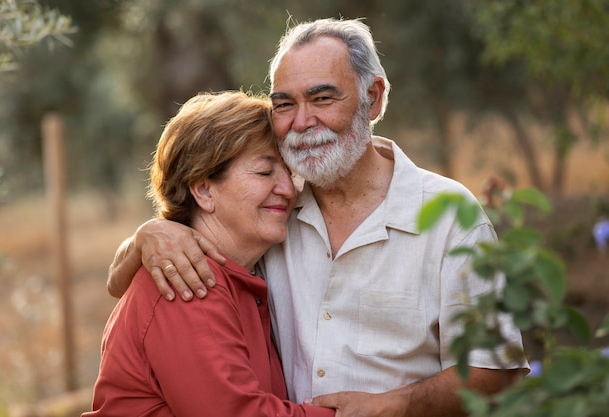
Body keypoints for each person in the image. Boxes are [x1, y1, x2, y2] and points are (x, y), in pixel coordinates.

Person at [108, 18, 529, 417]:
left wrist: (400, 405)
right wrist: (146, 236)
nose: (303, 122)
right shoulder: (273, 217)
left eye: (323, 98)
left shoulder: (449, 216)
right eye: (285, 104)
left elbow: (497, 370)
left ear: (374, 98)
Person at [84, 91, 335, 417]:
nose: (288, 189)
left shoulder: (243, 275)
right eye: (264, 172)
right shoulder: (188, 278)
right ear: (203, 190)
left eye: (290, 172)